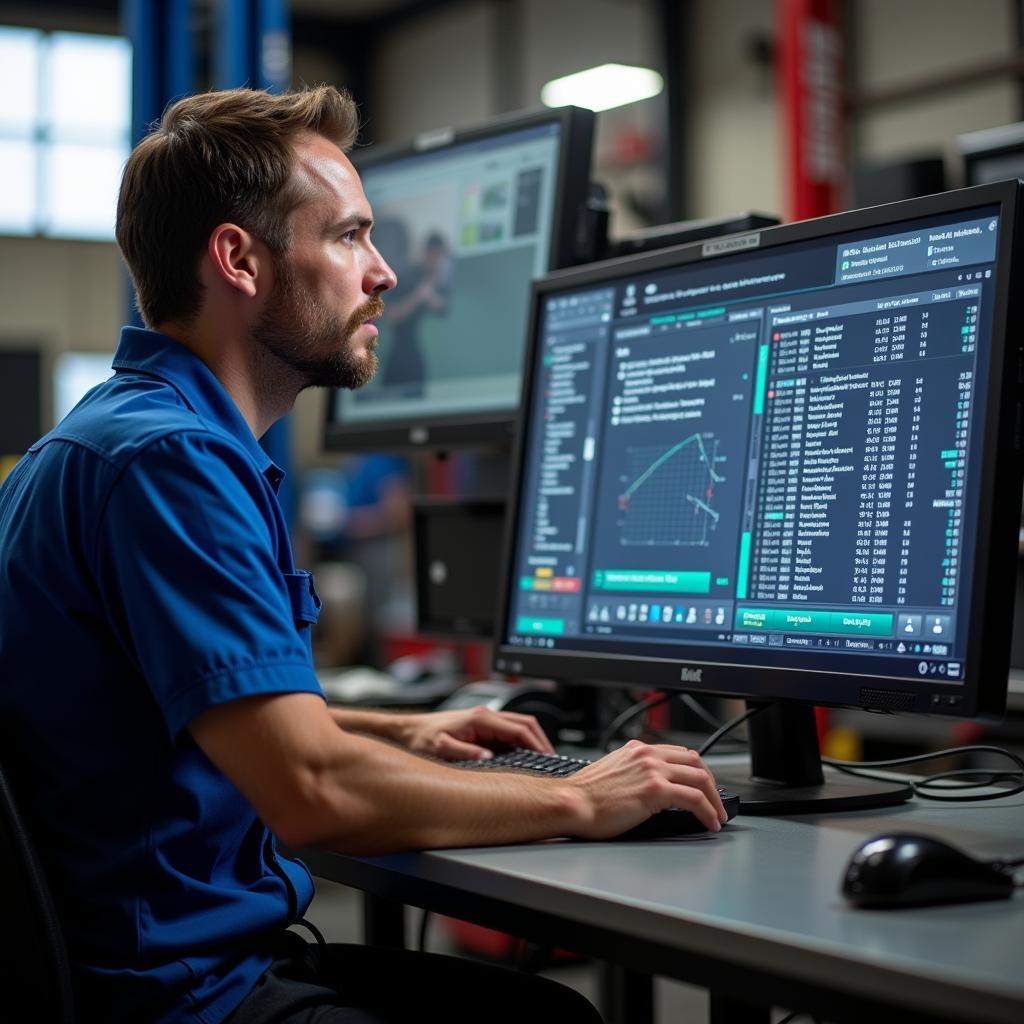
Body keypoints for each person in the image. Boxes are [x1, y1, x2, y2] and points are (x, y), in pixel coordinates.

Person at [0, 86, 727, 1024]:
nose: (382, 272)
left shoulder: (114, 437)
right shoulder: (168, 461)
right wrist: (582, 799)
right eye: (347, 236)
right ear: (239, 260)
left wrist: (398, 732)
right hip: (184, 1000)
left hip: (162, 969)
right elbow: (309, 792)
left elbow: (197, 708)